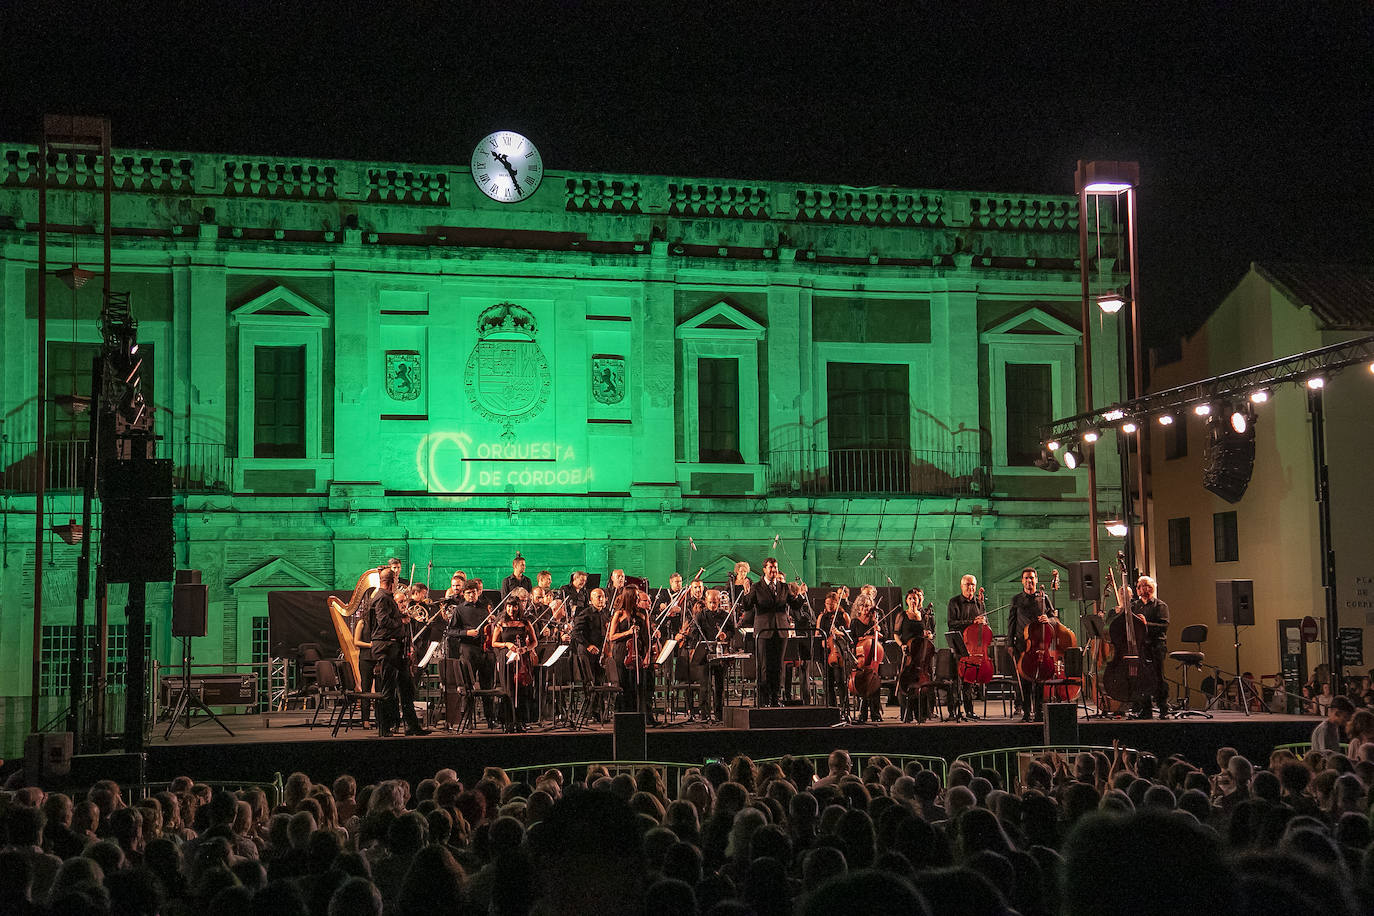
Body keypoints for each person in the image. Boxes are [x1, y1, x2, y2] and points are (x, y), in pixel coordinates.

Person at [362, 568, 428, 737]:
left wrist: (401, 615)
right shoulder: (382, 597)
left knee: (406, 688)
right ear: (392, 581)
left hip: (396, 649)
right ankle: (385, 728)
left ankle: (412, 726)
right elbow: (383, 621)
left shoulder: (384, 597)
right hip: (387, 648)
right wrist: (402, 619)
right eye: (397, 580)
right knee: (388, 690)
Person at [741, 558, 802, 707]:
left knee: (778, 666)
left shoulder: (784, 587)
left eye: (775, 568)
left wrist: (800, 595)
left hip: (781, 630)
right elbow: (747, 606)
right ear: (764, 570)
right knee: (764, 666)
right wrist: (746, 592)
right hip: (763, 631)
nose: (773, 571)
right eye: (770, 568)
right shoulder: (757, 587)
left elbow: (794, 605)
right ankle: (764, 699)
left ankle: (775, 698)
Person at [1010, 567, 1059, 722]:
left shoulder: (1044, 598)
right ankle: (1026, 713)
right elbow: (1011, 623)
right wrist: (1009, 643)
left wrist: (1048, 620)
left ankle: (1039, 713)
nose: (1029, 581)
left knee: (1039, 681)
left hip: (1039, 646)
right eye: (1026, 578)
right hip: (1022, 645)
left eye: (1031, 578)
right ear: (1022, 581)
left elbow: (1055, 619)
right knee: (1024, 680)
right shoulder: (1016, 599)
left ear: (1036, 580)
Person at [490, 589, 539, 732]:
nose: (512, 609)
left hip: (522, 659)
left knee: (523, 691)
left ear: (519, 607)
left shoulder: (525, 623)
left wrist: (525, 649)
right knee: (509, 691)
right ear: (506, 607)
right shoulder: (501, 623)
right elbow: (494, 643)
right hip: (506, 659)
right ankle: (508, 721)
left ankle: (521, 721)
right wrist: (507, 644)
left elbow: (534, 642)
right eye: (509, 606)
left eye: (514, 606)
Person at [608, 585, 655, 718]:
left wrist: (647, 656)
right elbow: (612, 636)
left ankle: (642, 716)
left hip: (638, 653)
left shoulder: (643, 613)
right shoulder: (619, 614)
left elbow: (647, 636)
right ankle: (624, 717)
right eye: (635, 596)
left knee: (639, 685)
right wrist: (628, 632)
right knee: (625, 685)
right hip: (622, 653)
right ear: (628, 597)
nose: (637, 598)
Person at [1129, 575, 1171, 719]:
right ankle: (1146, 709)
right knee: (1142, 679)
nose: (1138, 589)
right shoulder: (1135, 606)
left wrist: (1146, 624)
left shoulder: (1160, 606)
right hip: (1141, 646)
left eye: (1141, 586)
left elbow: (1164, 626)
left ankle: (1163, 707)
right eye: (1138, 586)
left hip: (1156, 645)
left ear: (1149, 588)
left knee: (1158, 677)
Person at [946, 574, 983, 720]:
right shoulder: (954, 602)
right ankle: (953, 711)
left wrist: (984, 623)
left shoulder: (979, 603)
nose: (971, 587)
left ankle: (969, 710)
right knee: (956, 681)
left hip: (973, 647)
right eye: (968, 584)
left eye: (973, 584)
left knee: (969, 681)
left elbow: (982, 623)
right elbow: (952, 623)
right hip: (958, 645)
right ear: (962, 586)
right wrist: (972, 622)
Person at [896, 587, 935, 723]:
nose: (913, 600)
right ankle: (906, 715)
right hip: (908, 653)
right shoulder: (902, 615)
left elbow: (930, 632)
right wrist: (902, 645)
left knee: (923, 684)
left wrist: (929, 634)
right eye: (910, 598)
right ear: (906, 600)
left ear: (919, 600)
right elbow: (896, 634)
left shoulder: (923, 616)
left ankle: (921, 714)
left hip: (921, 656)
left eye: (915, 598)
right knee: (905, 684)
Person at [848, 597, 883, 722]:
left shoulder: (875, 621)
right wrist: (863, 638)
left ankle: (876, 714)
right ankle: (862, 714)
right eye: (862, 606)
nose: (865, 608)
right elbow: (852, 640)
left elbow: (886, 636)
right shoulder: (855, 622)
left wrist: (878, 631)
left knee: (875, 684)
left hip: (874, 658)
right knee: (861, 685)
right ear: (858, 607)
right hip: (862, 658)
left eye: (868, 606)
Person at [817, 590, 851, 710]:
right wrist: (821, 640)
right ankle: (831, 708)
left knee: (840, 681)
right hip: (826, 652)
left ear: (837, 603)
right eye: (827, 603)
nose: (829, 606)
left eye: (832, 604)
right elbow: (818, 632)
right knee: (828, 682)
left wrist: (839, 633)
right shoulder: (822, 617)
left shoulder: (843, 615)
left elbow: (850, 635)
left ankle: (844, 707)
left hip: (839, 652)